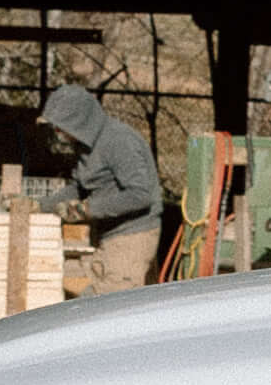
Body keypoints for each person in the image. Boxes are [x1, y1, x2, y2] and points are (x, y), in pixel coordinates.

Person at [34, 83, 170, 292]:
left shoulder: (118, 141)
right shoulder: (86, 145)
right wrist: (37, 205)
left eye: (61, 126)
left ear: (78, 121)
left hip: (133, 236)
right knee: (88, 296)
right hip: (109, 235)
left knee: (107, 308)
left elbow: (140, 195)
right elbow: (79, 188)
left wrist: (86, 210)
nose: (58, 132)